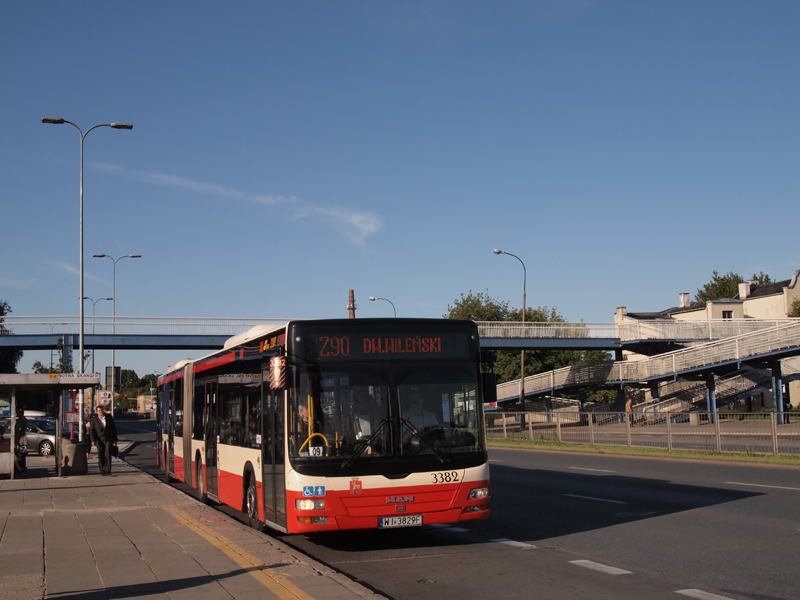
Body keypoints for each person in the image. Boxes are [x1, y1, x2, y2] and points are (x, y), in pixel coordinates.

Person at [89, 405, 118, 476]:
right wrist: (93, 440)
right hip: (99, 440)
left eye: (101, 410)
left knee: (107, 454)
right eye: (99, 411)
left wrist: (115, 438)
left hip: (108, 438)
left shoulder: (109, 417)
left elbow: (113, 428)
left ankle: (108, 470)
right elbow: (92, 431)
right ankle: (102, 469)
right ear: (97, 412)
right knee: (101, 454)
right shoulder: (94, 420)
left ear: (103, 410)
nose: (100, 412)